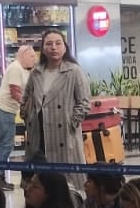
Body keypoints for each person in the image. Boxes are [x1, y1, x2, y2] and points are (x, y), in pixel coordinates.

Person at [22, 29, 92, 188]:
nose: (54, 47)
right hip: (38, 134)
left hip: (63, 135)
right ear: (43, 48)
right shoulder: (36, 72)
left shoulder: (73, 71)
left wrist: (71, 122)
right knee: (39, 184)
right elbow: (26, 96)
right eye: (49, 44)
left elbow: (84, 102)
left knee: (67, 185)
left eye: (58, 43)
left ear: (65, 47)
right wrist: (27, 115)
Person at [0, 44, 31, 173]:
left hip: (7, 110)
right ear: (23, 55)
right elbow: (15, 92)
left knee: (4, 144)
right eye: (31, 56)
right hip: (4, 109)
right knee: (6, 145)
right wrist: (28, 105)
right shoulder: (16, 68)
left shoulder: (23, 69)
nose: (34, 59)